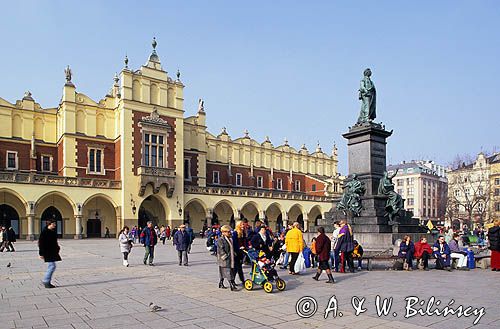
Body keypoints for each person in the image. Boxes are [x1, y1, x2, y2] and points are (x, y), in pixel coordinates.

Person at [38, 220, 61, 288]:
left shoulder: (52, 232)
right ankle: (46, 281)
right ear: (49, 224)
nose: (55, 225)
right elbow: (41, 243)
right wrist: (41, 253)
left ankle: (46, 280)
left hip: (52, 252)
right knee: (52, 266)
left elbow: (54, 242)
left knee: (51, 266)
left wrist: (57, 248)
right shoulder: (44, 232)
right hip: (47, 252)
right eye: (54, 224)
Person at [217, 225, 237, 291]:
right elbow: (221, 249)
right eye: (228, 232)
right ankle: (231, 285)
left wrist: (233, 253)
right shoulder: (221, 239)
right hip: (224, 259)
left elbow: (231, 248)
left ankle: (221, 283)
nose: (229, 233)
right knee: (228, 271)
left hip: (230, 258)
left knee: (224, 272)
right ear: (223, 232)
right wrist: (225, 256)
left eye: (229, 232)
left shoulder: (230, 239)